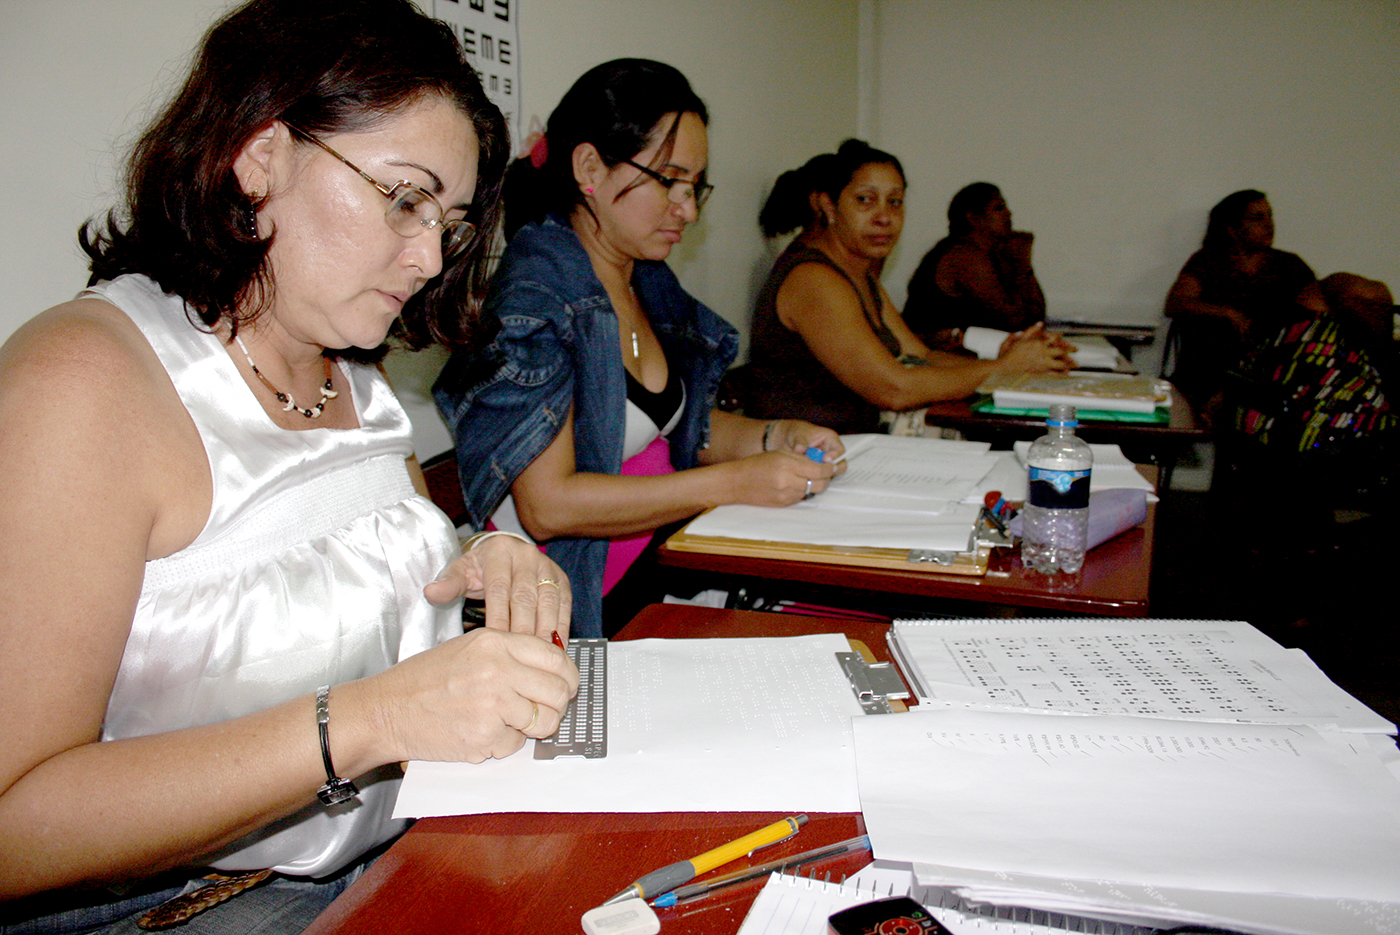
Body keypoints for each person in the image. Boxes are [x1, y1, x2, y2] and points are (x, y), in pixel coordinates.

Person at [0, 1, 580, 929]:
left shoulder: (346, 365)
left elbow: (313, 582)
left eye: (451, 222)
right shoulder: (85, 381)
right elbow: (11, 823)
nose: (430, 256)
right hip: (178, 907)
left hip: (386, 853)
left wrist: (478, 565)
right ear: (259, 154)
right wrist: (368, 722)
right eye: (403, 199)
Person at [433, 60, 844, 640]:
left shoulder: (643, 280)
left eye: (696, 185)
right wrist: (735, 482)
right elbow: (548, 506)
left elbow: (671, 428)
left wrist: (776, 437)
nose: (689, 209)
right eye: (669, 180)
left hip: (645, 578)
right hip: (558, 618)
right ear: (589, 168)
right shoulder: (535, 299)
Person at [746, 141, 1072, 436]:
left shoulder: (860, 274)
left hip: (861, 444)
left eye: (895, 202)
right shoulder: (813, 279)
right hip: (810, 458)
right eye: (865, 201)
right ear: (828, 206)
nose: (884, 217)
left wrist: (1014, 361)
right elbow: (893, 389)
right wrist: (1002, 369)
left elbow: (921, 356)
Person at [1163, 189, 1315, 416]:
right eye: (1257, 218)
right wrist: (1227, 313)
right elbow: (1176, 303)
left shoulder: (1289, 265)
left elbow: (1317, 313)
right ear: (1232, 229)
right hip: (1210, 369)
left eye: (1270, 216)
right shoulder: (1208, 261)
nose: (1269, 224)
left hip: (1270, 368)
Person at [902, 181, 1046, 347]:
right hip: (932, 356)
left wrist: (1022, 265)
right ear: (973, 218)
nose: (1009, 214)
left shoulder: (995, 254)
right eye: (999, 208)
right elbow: (1014, 322)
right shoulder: (965, 256)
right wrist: (1021, 263)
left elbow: (1036, 320)